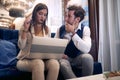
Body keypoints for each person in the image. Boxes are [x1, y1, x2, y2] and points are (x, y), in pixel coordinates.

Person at [16, 3, 59, 80]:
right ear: (35, 14)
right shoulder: (25, 27)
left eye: (45, 15)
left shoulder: (47, 29)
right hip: (25, 60)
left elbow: (48, 48)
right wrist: (25, 30)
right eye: (40, 14)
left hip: (43, 60)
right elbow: (21, 46)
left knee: (55, 64)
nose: (43, 17)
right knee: (38, 63)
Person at [55, 5, 93, 79]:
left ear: (77, 19)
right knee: (62, 63)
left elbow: (87, 49)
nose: (66, 19)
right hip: (64, 59)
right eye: (66, 16)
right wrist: (59, 55)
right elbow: (54, 46)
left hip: (78, 58)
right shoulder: (60, 29)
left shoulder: (85, 29)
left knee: (88, 58)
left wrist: (73, 33)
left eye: (69, 16)